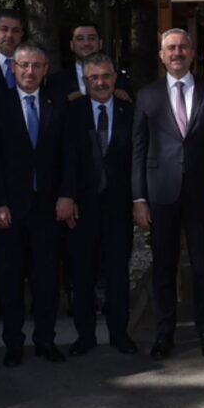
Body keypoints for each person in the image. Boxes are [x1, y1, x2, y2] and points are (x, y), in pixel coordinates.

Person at [132, 27, 204, 359]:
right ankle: (164, 334)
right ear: (161, 55)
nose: (177, 53)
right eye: (171, 48)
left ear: (192, 53)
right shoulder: (147, 95)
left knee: (203, 267)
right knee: (163, 268)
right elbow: (138, 150)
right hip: (161, 194)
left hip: (200, 193)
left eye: (183, 47)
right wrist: (139, 198)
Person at [0, 44, 69, 365]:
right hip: (10, 209)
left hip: (47, 208)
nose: (30, 71)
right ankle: (14, 343)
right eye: (24, 65)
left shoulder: (58, 104)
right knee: (10, 279)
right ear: (13, 69)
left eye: (37, 65)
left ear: (45, 69)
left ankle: (45, 340)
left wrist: (66, 195)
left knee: (46, 279)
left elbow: (70, 156)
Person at [63, 52, 136, 355]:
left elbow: (138, 159)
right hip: (82, 207)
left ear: (114, 77)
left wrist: (139, 200)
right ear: (86, 80)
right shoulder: (72, 112)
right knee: (82, 274)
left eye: (106, 76)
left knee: (118, 273)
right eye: (94, 77)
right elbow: (65, 158)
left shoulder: (130, 110)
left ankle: (119, 333)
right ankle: (85, 335)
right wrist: (66, 196)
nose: (101, 82)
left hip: (119, 207)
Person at [69, 24, 110, 96]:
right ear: (72, 45)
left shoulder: (120, 80)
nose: (86, 43)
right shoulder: (55, 81)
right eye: (80, 39)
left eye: (91, 38)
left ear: (100, 43)